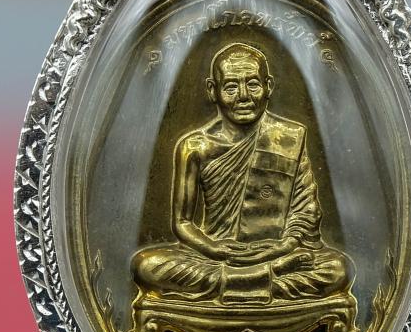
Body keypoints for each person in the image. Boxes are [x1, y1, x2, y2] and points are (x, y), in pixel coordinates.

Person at [131, 43, 357, 312]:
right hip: (215, 255)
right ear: (212, 90)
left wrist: (281, 248)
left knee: (338, 269)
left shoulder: (289, 137)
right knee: (147, 266)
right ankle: (266, 279)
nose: (243, 96)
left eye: (252, 84)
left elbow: (305, 211)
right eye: (230, 87)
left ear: (268, 86)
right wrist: (214, 249)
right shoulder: (195, 146)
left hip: (278, 252)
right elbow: (182, 223)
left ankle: (238, 282)